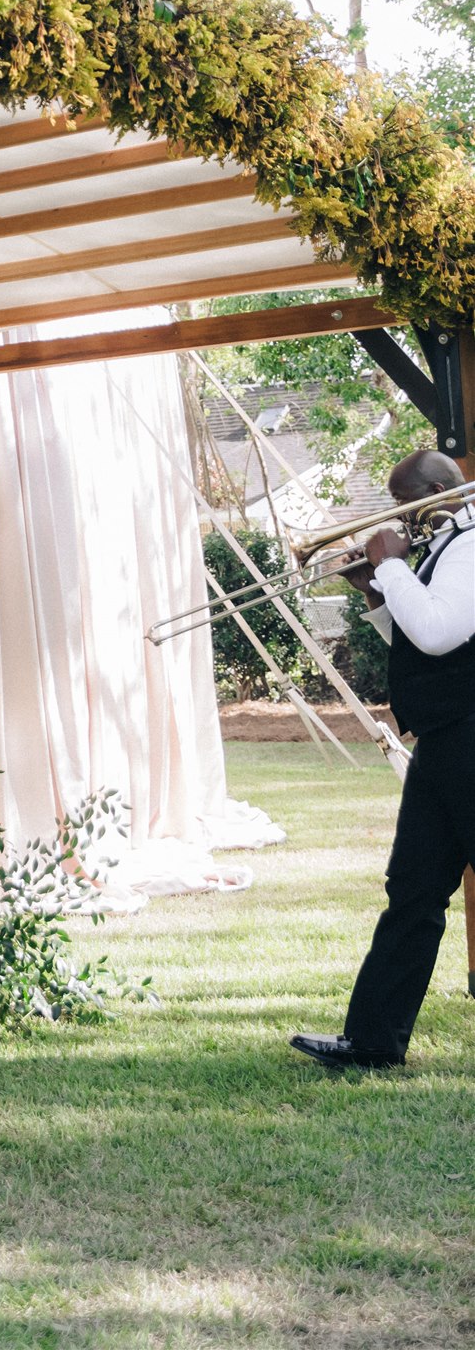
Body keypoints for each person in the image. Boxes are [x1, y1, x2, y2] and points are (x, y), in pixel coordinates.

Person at [292, 449, 475, 1071]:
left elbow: (439, 632)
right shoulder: (444, 548)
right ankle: (372, 1043)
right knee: (414, 891)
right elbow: (420, 641)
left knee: (417, 894)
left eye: (405, 501)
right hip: (445, 740)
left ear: (434, 491)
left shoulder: (471, 541)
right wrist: (376, 589)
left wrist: (392, 566)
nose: (403, 516)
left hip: (470, 737)